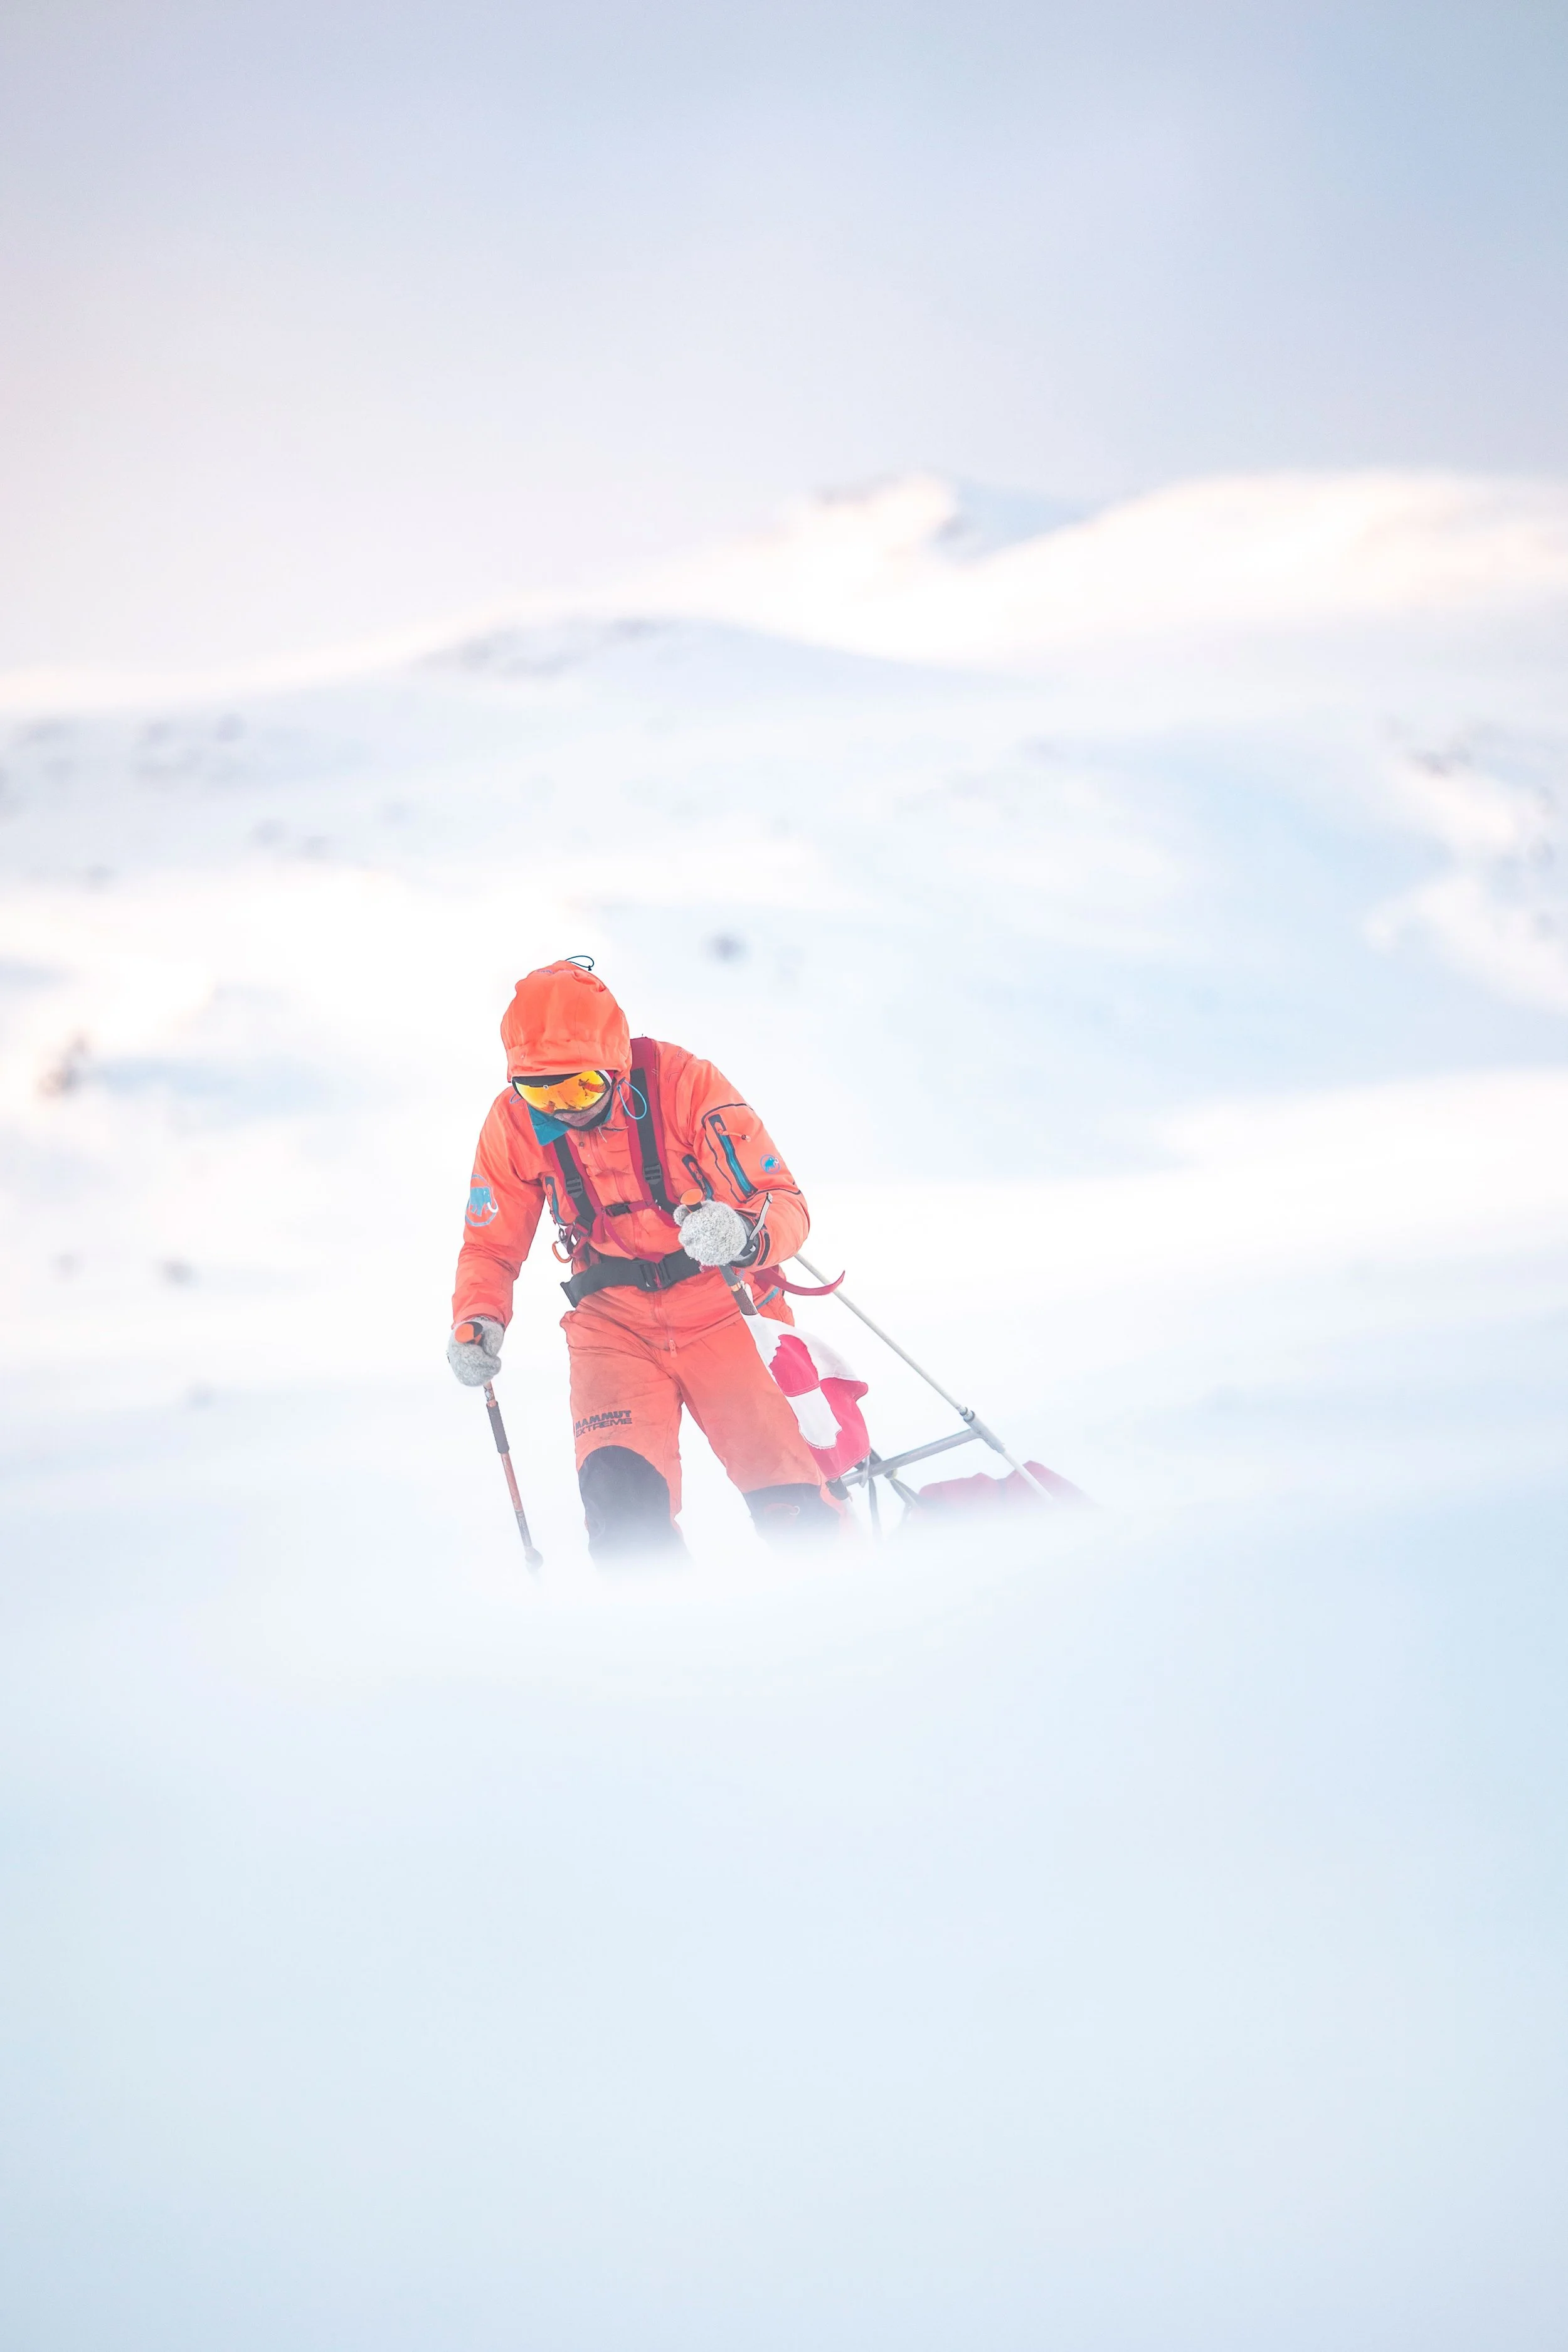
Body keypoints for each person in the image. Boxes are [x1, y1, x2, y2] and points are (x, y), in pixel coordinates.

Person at [448, 956, 843, 1557]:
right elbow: (490, 1243)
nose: (563, 1109)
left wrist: (740, 1233)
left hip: (726, 1314)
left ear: (616, 1064)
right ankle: (651, 1642)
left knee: (790, 1500)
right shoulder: (512, 1126)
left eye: (581, 1086)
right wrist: (477, 1319)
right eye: (539, 1091)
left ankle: (853, 1614)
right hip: (612, 1326)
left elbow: (784, 1203)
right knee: (622, 1509)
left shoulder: (686, 1085)